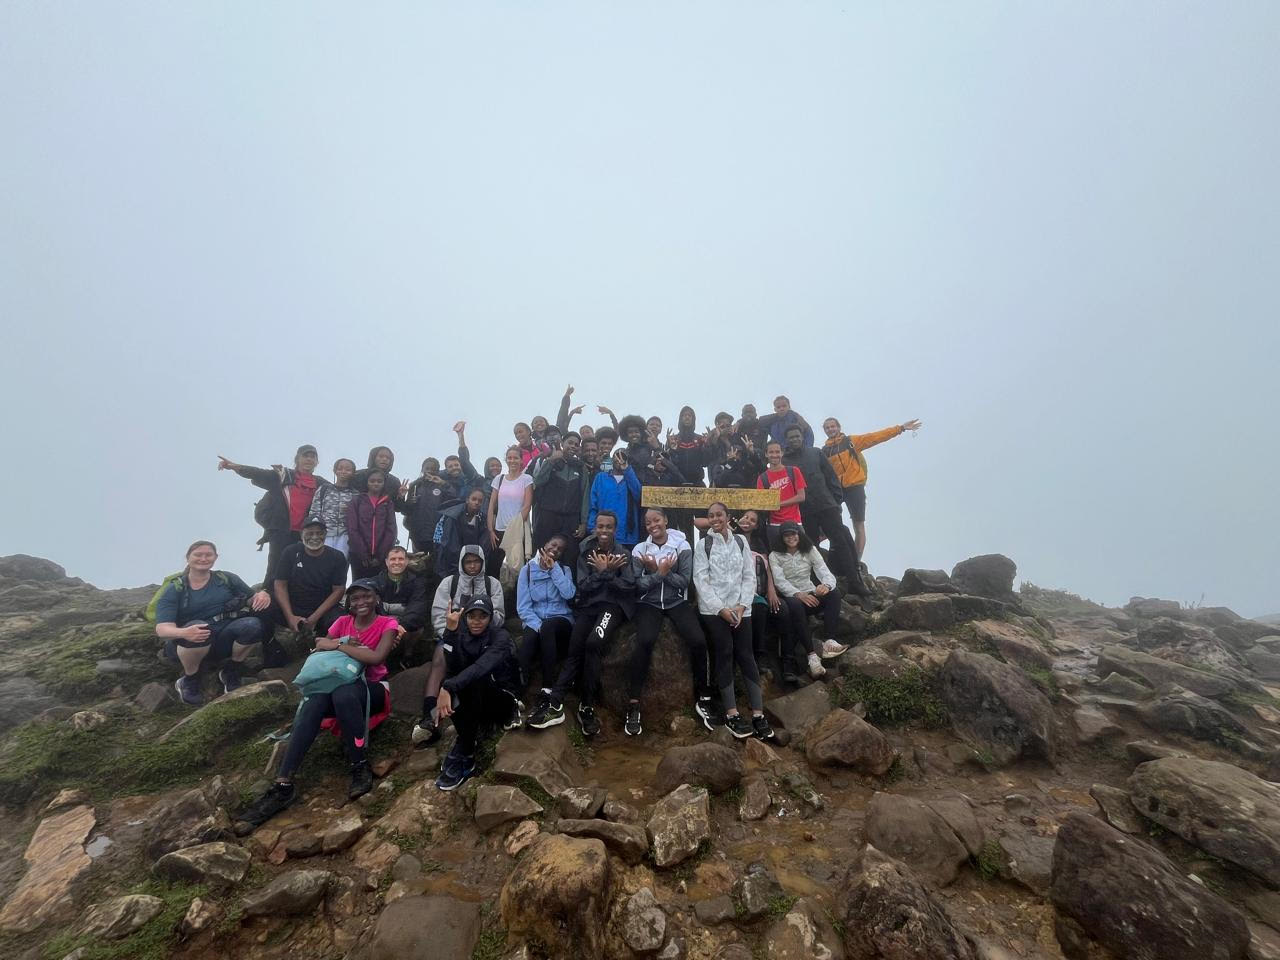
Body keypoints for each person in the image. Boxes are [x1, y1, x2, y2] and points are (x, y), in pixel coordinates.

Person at [235, 579, 399, 827]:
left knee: (343, 693)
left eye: (367, 596)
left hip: (373, 689)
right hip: (336, 686)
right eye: (355, 598)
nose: (361, 602)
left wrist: (338, 645)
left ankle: (359, 763)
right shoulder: (342, 622)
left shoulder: (388, 623)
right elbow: (320, 647)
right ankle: (283, 784)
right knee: (314, 701)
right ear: (349, 602)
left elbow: (376, 657)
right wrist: (342, 644)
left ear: (377, 598)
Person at [526, 511, 636, 738]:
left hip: (612, 607)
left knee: (593, 643)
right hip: (589, 606)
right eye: (600, 526)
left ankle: (586, 706)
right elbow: (583, 585)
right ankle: (555, 703)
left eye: (608, 527)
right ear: (595, 527)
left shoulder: (623, 553)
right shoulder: (586, 551)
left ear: (615, 530)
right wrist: (603, 573)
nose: (604, 531)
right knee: (575, 647)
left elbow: (628, 586)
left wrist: (607, 574)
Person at [626, 508, 715, 736]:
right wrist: (659, 573)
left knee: (698, 641)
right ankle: (634, 703)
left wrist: (657, 572)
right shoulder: (639, 549)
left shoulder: (682, 546)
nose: (653, 525)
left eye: (656, 520)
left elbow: (684, 581)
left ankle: (704, 697)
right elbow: (637, 585)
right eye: (648, 522)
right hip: (649, 603)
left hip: (677, 602)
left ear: (665, 520)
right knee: (645, 641)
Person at [154, 540, 271, 706]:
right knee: (200, 627)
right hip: (187, 645)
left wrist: (263, 594)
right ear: (188, 558)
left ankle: (231, 670)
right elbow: (162, 629)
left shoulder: (226, 579)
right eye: (198, 555)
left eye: (208, 555)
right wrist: (185, 633)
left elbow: (252, 599)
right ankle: (190, 679)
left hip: (223, 640)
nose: (203, 558)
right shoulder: (175, 589)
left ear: (215, 557)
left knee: (252, 625)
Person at [413, 545, 508, 746]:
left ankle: (485, 718)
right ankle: (429, 716)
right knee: (440, 659)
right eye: (468, 562)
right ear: (461, 563)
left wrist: (479, 617)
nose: (472, 566)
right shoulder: (450, 583)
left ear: (482, 562)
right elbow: (438, 615)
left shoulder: (492, 584)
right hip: (454, 636)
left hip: (484, 637)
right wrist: (451, 631)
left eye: (476, 561)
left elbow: (499, 615)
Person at [694, 504, 775, 740]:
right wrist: (721, 609)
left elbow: (749, 576)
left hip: (741, 609)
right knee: (725, 651)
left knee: (746, 655)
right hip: (714, 610)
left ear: (728, 517)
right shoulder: (703, 545)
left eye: (719, 515)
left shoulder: (740, 542)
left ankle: (758, 714)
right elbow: (701, 580)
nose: (715, 519)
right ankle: (732, 714)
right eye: (711, 516)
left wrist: (742, 605)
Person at [434, 596, 521, 791]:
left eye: (482, 616)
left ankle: (466, 751)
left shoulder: (500, 637)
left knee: (466, 681)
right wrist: (450, 632)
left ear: (490, 618)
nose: (476, 621)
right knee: (451, 682)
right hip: (475, 701)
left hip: (502, 699)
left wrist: (448, 687)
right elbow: (453, 667)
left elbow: (481, 667)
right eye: (472, 616)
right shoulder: (463, 635)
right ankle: (467, 743)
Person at [218, 445, 329, 583]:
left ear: (317, 462)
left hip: (306, 534)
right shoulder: (283, 475)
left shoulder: (321, 483)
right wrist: (235, 467)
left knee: (304, 569)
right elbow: (258, 473)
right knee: (276, 568)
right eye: (305, 456)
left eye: (313, 457)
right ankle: (269, 593)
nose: (309, 459)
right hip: (281, 529)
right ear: (297, 459)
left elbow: (339, 490)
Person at [821, 417, 923, 567]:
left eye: (833, 426)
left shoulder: (851, 441)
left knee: (858, 525)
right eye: (827, 427)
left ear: (839, 427)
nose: (830, 429)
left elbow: (875, 437)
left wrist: (900, 428)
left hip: (855, 487)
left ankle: (856, 562)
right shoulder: (824, 451)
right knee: (830, 522)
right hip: (837, 490)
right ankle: (835, 556)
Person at [769, 523, 848, 679]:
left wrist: (826, 585)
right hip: (791, 597)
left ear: (799, 534)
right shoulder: (775, 555)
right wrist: (798, 594)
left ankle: (829, 640)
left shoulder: (810, 550)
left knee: (834, 593)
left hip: (811, 594)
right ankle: (812, 656)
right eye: (786, 535)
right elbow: (779, 581)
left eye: (793, 534)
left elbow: (823, 570)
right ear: (782, 538)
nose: (791, 538)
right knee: (795, 605)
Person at [782, 426, 859, 582]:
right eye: (791, 437)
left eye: (797, 436)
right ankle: (817, 582)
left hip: (827, 505)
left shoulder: (816, 453)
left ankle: (854, 581)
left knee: (840, 541)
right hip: (805, 510)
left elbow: (831, 477)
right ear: (787, 440)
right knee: (811, 546)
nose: (794, 439)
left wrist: (837, 501)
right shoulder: (785, 461)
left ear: (802, 437)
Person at [735, 509, 796, 684]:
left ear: (756, 526)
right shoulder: (732, 537)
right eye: (746, 517)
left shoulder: (759, 542)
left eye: (753, 520)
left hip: (759, 590)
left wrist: (771, 590)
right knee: (758, 609)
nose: (748, 521)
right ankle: (756, 655)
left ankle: (787, 663)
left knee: (781, 610)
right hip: (738, 591)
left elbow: (767, 567)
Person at [272, 517, 349, 649]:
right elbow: (280, 584)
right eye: (309, 533)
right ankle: (272, 648)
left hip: (322, 609)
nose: (314, 537)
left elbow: (339, 590)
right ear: (301, 534)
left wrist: (314, 618)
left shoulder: (337, 557)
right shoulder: (290, 552)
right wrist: (290, 616)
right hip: (293, 606)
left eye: (319, 533)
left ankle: (322, 646)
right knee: (262, 608)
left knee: (341, 620)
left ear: (325, 534)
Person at [515, 535, 576, 694]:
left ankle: (547, 687)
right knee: (528, 641)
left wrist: (554, 570)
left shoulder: (564, 570)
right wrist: (538, 626)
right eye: (553, 545)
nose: (555, 549)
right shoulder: (527, 570)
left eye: (560, 549)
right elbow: (523, 607)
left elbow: (569, 594)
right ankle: (518, 692)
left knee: (549, 626)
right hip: (535, 618)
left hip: (561, 618)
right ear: (545, 544)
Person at [532, 431, 587, 569]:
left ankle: (566, 582)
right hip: (548, 515)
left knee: (570, 555)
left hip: (571, 519)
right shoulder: (551, 461)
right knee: (541, 551)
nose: (573, 446)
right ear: (562, 443)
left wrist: (583, 522)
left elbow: (585, 495)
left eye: (576, 444)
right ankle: (535, 580)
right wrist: (551, 461)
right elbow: (538, 481)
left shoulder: (581, 467)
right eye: (570, 443)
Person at [376, 546, 430, 667]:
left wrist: (401, 626)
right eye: (393, 559)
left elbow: (417, 606)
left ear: (406, 561)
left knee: (418, 626)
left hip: (404, 625)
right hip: (384, 623)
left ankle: (407, 655)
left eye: (400, 559)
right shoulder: (376, 582)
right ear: (386, 562)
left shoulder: (417, 582)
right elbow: (375, 607)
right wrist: (390, 625)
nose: (396, 562)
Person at [487, 446, 535, 578]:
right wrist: (491, 530)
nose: (512, 461)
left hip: (517, 531)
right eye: (509, 458)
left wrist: (515, 527)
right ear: (506, 460)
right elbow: (491, 505)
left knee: (517, 568)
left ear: (521, 460)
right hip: (499, 530)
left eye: (516, 458)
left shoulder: (526, 479)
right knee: (494, 568)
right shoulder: (499, 479)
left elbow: (527, 505)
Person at [587, 446, 643, 549]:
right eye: (617, 455)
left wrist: (627, 470)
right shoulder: (600, 477)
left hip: (627, 536)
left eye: (623, 456)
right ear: (612, 458)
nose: (619, 459)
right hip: (604, 533)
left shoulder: (632, 477)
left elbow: (639, 496)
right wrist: (592, 528)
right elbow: (593, 505)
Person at [346, 469, 397, 580]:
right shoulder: (356, 501)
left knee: (380, 585)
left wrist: (381, 556)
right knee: (359, 585)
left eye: (379, 481)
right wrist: (363, 554)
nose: (376, 483)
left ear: (384, 483)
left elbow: (391, 530)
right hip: (358, 554)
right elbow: (352, 528)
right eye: (372, 481)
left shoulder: (388, 502)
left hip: (381, 556)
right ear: (367, 482)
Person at [756, 441, 807, 545]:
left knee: (803, 553)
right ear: (766, 454)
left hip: (795, 522)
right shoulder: (762, 478)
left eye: (777, 452)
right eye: (771, 452)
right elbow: (762, 503)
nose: (774, 455)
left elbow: (801, 496)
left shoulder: (793, 471)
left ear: (782, 453)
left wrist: (778, 504)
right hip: (774, 524)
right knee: (777, 554)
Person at [433, 488, 490, 578]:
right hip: (450, 562)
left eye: (480, 501)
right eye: (474, 499)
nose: (476, 502)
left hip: (470, 562)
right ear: (467, 500)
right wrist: (459, 571)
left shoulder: (482, 519)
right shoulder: (453, 517)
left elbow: (483, 546)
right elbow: (451, 547)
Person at [308, 459, 359, 556]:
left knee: (341, 562)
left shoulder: (356, 494)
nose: (343, 471)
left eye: (348, 469)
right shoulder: (324, 489)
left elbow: (358, 517)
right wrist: (315, 531)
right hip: (324, 534)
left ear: (353, 473)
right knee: (322, 562)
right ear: (335, 470)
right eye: (340, 468)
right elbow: (314, 512)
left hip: (345, 536)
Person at [401, 458, 448, 556]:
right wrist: (408, 501)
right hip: (417, 535)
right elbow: (406, 511)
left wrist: (444, 484)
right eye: (427, 468)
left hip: (437, 534)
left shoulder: (442, 485)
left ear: (438, 471)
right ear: (422, 469)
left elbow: (454, 498)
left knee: (436, 562)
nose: (430, 471)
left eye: (433, 469)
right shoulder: (414, 485)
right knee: (419, 562)